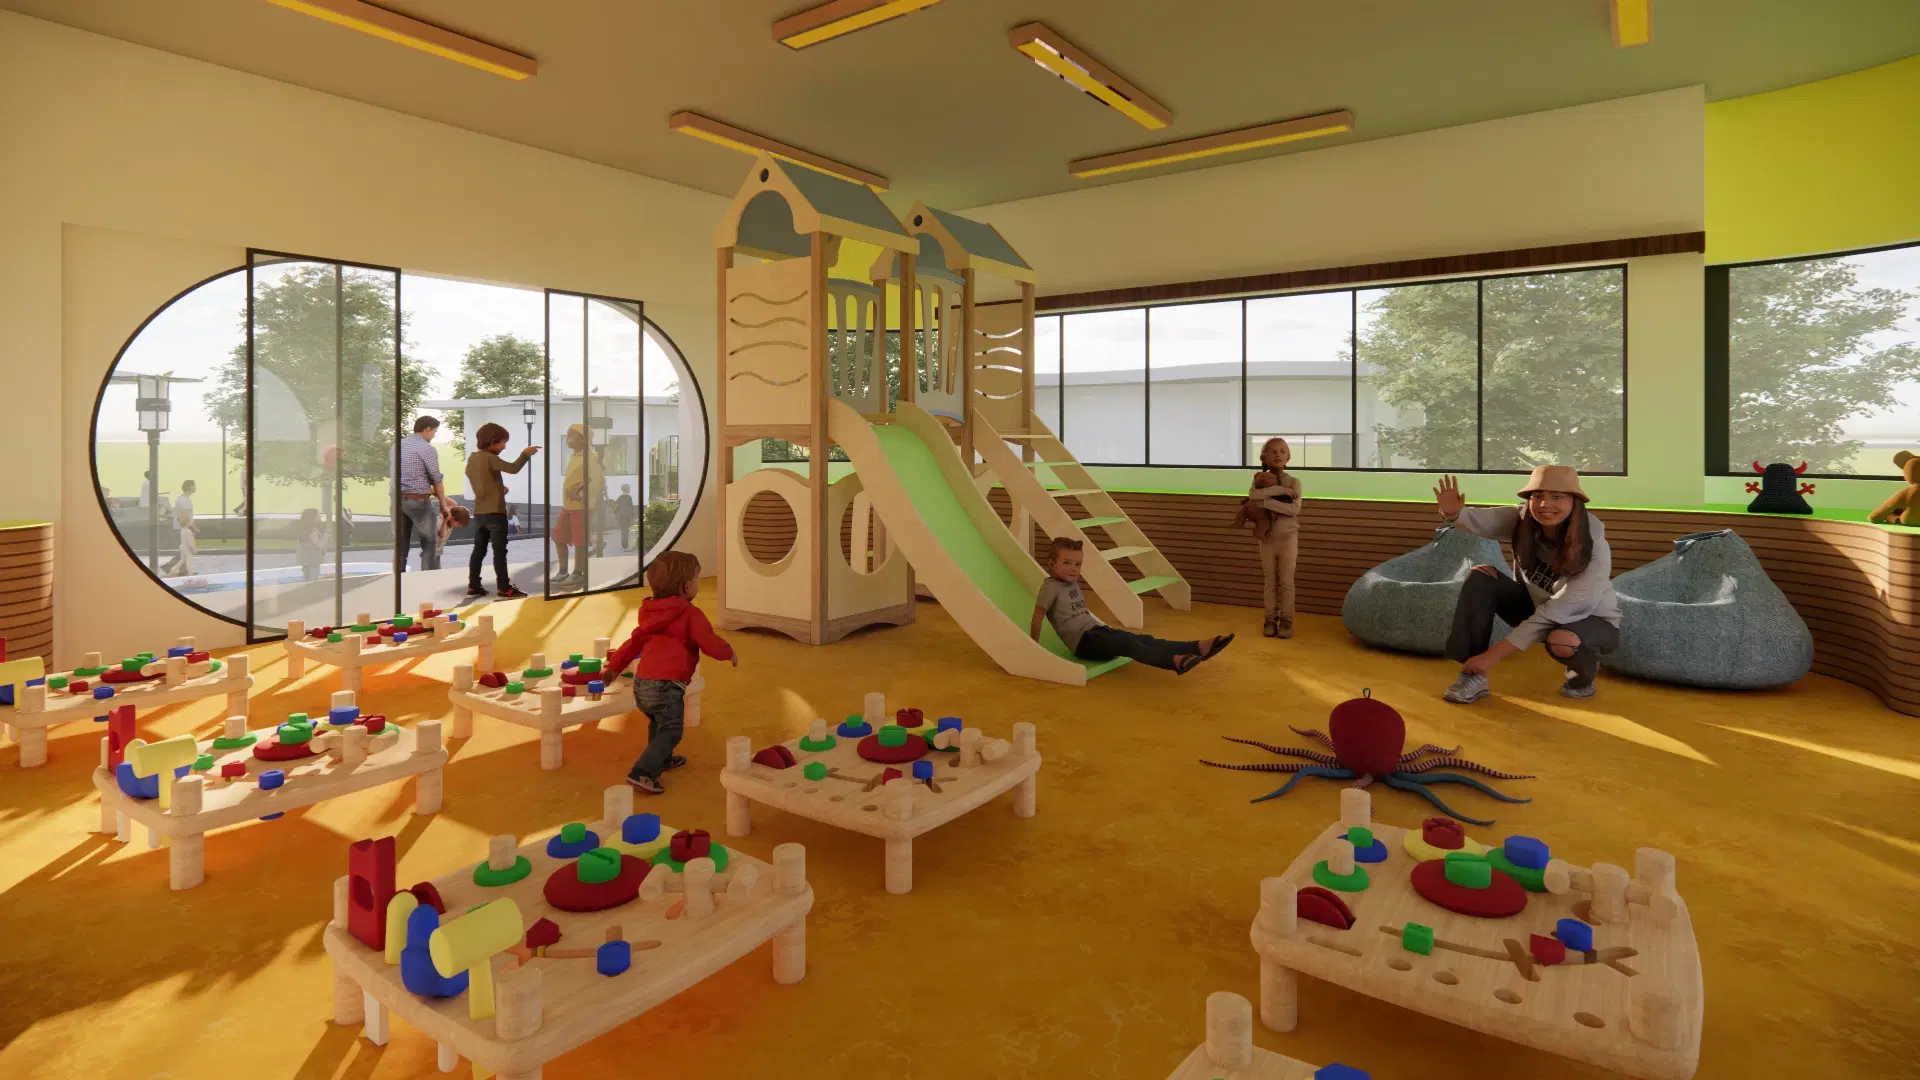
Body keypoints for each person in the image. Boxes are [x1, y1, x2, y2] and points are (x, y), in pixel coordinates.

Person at [1434, 466, 1623, 703]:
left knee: (1562, 641)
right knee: (1481, 576)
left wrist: (1493, 656)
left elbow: (1559, 610)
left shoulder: (1593, 545)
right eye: (1537, 496)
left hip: (1589, 621)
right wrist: (1454, 513)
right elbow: (1481, 520)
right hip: (1538, 608)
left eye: (1557, 497)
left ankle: (1581, 678)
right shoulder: (1522, 519)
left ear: (1575, 501)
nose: (1545, 504)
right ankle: (1472, 676)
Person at [602, 552, 736, 795]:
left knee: (659, 723)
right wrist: (729, 653)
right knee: (672, 729)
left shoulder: (649, 614)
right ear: (686, 587)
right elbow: (709, 642)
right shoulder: (690, 614)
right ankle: (643, 772)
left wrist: (613, 668)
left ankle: (662, 759)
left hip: (642, 686)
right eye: (696, 579)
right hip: (666, 687)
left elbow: (632, 644)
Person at [1030, 537, 1231, 674]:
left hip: (1096, 631)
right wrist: (1034, 648)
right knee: (1129, 645)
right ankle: (1174, 661)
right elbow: (1038, 615)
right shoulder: (1050, 587)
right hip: (1084, 643)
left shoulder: (1070, 581)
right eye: (1067, 563)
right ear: (1052, 564)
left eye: (1078, 564)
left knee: (1142, 639)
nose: (1074, 569)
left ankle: (1197, 647)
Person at [1232, 437, 1303, 638]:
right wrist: (1275, 494)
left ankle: (1287, 621)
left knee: (1287, 582)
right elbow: (1253, 496)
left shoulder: (1294, 482)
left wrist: (1266, 503)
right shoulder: (1259, 481)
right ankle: (1270, 619)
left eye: (1282, 451)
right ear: (1264, 458)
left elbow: (1294, 509)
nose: (1278, 455)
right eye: (1273, 451)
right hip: (1267, 539)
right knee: (1270, 581)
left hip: (1288, 538)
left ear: (1288, 458)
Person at [463, 422, 538, 599]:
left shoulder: (473, 459)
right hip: (496, 513)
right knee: (499, 552)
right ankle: (504, 588)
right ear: (492, 441)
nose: (504, 446)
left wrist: (498, 490)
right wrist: (525, 454)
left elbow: (481, 483)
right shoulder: (490, 457)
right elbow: (513, 468)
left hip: (479, 513)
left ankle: (473, 586)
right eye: (503, 442)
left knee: (478, 550)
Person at [395, 415, 454, 573]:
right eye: (434, 431)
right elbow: (436, 479)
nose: (434, 435)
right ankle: (427, 580)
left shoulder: (397, 446)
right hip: (418, 500)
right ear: (427, 429)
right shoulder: (426, 449)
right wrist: (443, 505)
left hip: (396, 500)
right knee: (429, 544)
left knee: (401, 545)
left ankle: (398, 581)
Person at [551, 423, 601, 589]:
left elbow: (598, 481)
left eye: (570, 435)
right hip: (569, 506)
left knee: (580, 540)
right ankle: (563, 572)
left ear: (582, 438)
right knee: (558, 536)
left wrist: (581, 495)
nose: (567, 439)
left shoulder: (589, 457)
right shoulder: (574, 456)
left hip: (581, 506)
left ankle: (578, 573)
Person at [161, 480, 199, 576]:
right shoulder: (185, 501)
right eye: (194, 486)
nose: (195, 487)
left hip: (181, 527)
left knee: (183, 550)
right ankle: (169, 566)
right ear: (190, 487)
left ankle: (182, 570)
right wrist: (194, 528)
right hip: (182, 528)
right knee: (184, 549)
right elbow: (186, 516)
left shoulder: (182, 499)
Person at [296, 508, 326, 582]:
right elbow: (320, 545)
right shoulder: (312, 532)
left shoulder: (303, 531)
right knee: (313, 581)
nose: (320, 516)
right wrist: (326, 536)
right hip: (313, 560)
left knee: (307, 580)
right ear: (312, 518)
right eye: (317, 515)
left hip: (306, 561)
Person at [614, 484, 636, 552]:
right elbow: (631, 507)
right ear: (627, 489)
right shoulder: (629, 497)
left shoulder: (620, 497)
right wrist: (633, 516)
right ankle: (626, 546)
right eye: (629, 488)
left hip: (621, 515)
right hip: (627, 515)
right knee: (626, 530)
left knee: (623, 530)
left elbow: (616, 506)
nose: (630, 489)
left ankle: (624, 546)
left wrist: (616, 513)